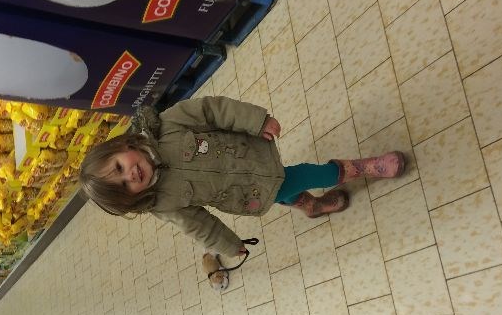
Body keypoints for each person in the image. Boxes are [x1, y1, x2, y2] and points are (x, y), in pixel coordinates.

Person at [80, 96, 404, 257]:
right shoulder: (163, 203)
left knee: (287, 182)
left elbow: (212, 110)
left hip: (251, 152)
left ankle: (313, 204)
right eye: (125, 186)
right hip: (248, 192)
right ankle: (359, 171)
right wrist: (230, 246)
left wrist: (255, 121)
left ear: (121, 146)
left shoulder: (167, 125)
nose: (130, 175)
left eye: (119, 167)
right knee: (299, 180)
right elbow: (199, 226)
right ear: (132, 199)